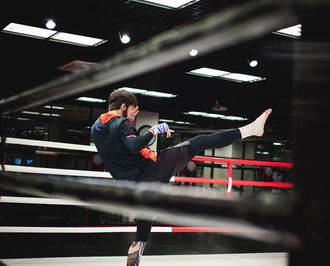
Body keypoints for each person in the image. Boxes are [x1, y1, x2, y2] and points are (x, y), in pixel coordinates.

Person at [91, 89, 272, 266]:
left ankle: (139, 243)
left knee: (147, 207)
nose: (133, 115)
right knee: (199, 142)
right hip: (150, 170)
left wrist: (128, 125)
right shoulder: (121, 123)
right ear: (123, 106)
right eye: (131, 110)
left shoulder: (96, 128)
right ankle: (251, 129)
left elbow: (118, 148)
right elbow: (132, 146)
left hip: (130, 183)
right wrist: (154, 130)